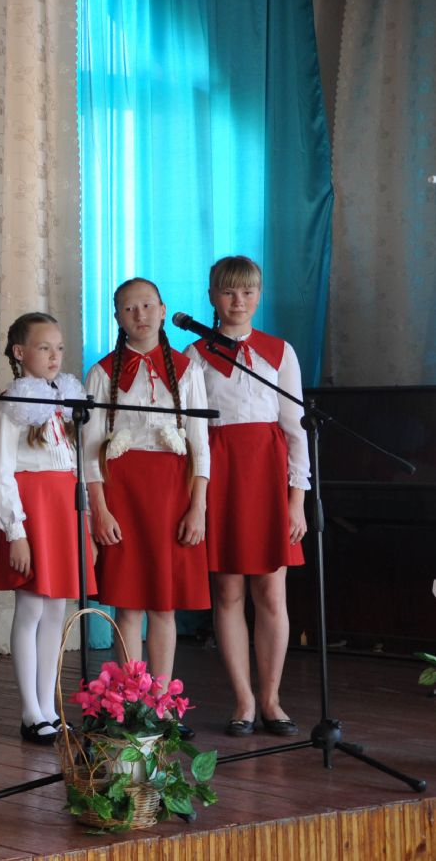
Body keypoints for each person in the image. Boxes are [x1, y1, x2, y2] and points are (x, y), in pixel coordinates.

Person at [185, 256, 308, 738]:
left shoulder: (280, 351)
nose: (239, 301)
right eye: (229, 291)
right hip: (221, 475)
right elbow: (193, 432)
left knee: (271, 592)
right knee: (228, 591)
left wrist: (296, 500)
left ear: (259, 295)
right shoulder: (195, 355)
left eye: (248, 291)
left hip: (268, 476)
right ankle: (243, 699)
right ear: (212, 297)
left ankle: (272, 698)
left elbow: (295, 428)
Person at [83, 277, 210, 696]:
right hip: (123, 493)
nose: (140, 314)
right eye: (129, 308)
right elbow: (90, 450)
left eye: (147, 305)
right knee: (129, 604)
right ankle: (130, 699)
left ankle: (161, 698)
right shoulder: (101, 373)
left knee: (164, 603)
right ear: (117, 317)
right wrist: (100, 510)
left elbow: (200, 445)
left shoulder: (188, 370)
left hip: (172, 492)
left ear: (162, 309)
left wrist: (197, 507)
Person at [0, 312, 94, 745]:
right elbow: (2, 473)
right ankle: (30, 711)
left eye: (59, 348)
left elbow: (76, 463)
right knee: (31, 608)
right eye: (43, 347)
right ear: (20, 352)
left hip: (64, 506)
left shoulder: (67, 401)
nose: (54, 356)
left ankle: (49, 705)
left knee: (56, 610)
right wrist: (16, 532)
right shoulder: (11, 405)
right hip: (32, 510)